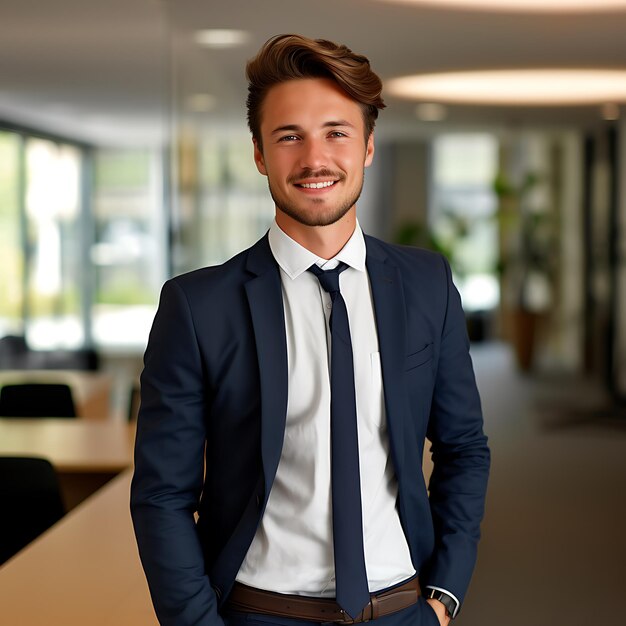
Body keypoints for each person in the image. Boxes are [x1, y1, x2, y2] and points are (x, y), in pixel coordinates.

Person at [131, 33, 490, 626]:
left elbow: (463, 449)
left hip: (402, 608)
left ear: (369, 145)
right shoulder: (198, 306)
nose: (314, 158)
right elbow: (161, 496)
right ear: (258, 153)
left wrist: (444, 597)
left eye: (336, 133)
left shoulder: (426, 284)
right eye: (289, 136)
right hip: (260, 612)